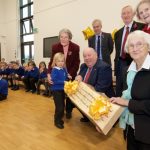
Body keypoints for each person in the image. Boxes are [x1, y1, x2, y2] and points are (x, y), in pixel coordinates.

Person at [110, 30, 150, 150]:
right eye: (131, 45)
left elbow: (126, 102)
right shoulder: (126, 70)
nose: (135, 48)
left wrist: (128, 103)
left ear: (148, 46)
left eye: (139, 44)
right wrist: (106, 121)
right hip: (130, 128)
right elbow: (121, 99)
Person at [48, 28, 80, 119]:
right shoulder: (55, 47)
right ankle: (60, 110)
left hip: (70, 74)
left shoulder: (75, 47)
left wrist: (69, 74)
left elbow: (76, 63)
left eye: (66, 37)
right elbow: (52, 62)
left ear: (69, 38)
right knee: (60, 96)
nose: (63, 39)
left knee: (70, 96)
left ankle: (69, 111)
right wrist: (49, 74)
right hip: (58, 75)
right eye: (61, 37)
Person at [76, 47, 114, 122]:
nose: (87, 58)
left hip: (102, 99)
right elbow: (79, 77)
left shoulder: (104, 67)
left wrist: (84, 87)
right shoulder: (83, 66)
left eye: (89, 55)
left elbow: (100, 88)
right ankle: (88, 117)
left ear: (96, 55)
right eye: (84, 56)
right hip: (88, 95)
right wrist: (78, 77)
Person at [114, 5, 145, 97]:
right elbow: (117, 51)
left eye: (128, 13)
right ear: (121, 16)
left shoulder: (141, 27)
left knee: (132, 90)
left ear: (133, 14)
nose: (126, 15)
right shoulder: (117, 33)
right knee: (119, 90)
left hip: (134, 63)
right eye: (123, 13)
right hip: (120, 65)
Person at [51, 53, 71, 129]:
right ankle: (57, 121)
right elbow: (54, 80)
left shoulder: (64, 69)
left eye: (62, 61)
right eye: (59, 61)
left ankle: (59, 119)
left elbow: (66, 76)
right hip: (56, 91)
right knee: (59, 107)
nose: (61, 63)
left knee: (62, 106)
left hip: (63, 90)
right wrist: (64, 82)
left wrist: (68, 76)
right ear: (55, 62)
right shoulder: (54, 70)